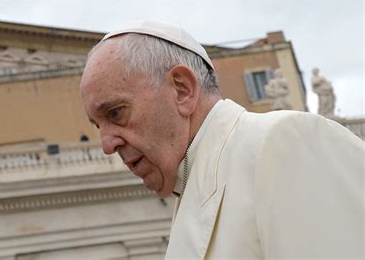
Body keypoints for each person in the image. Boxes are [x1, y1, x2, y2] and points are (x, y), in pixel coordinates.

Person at [80, 20, 363, 258]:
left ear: (182, 90)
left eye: (116, 113)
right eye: (98, 125)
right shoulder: (189, 187)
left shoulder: (287, 142)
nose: (107, 144)